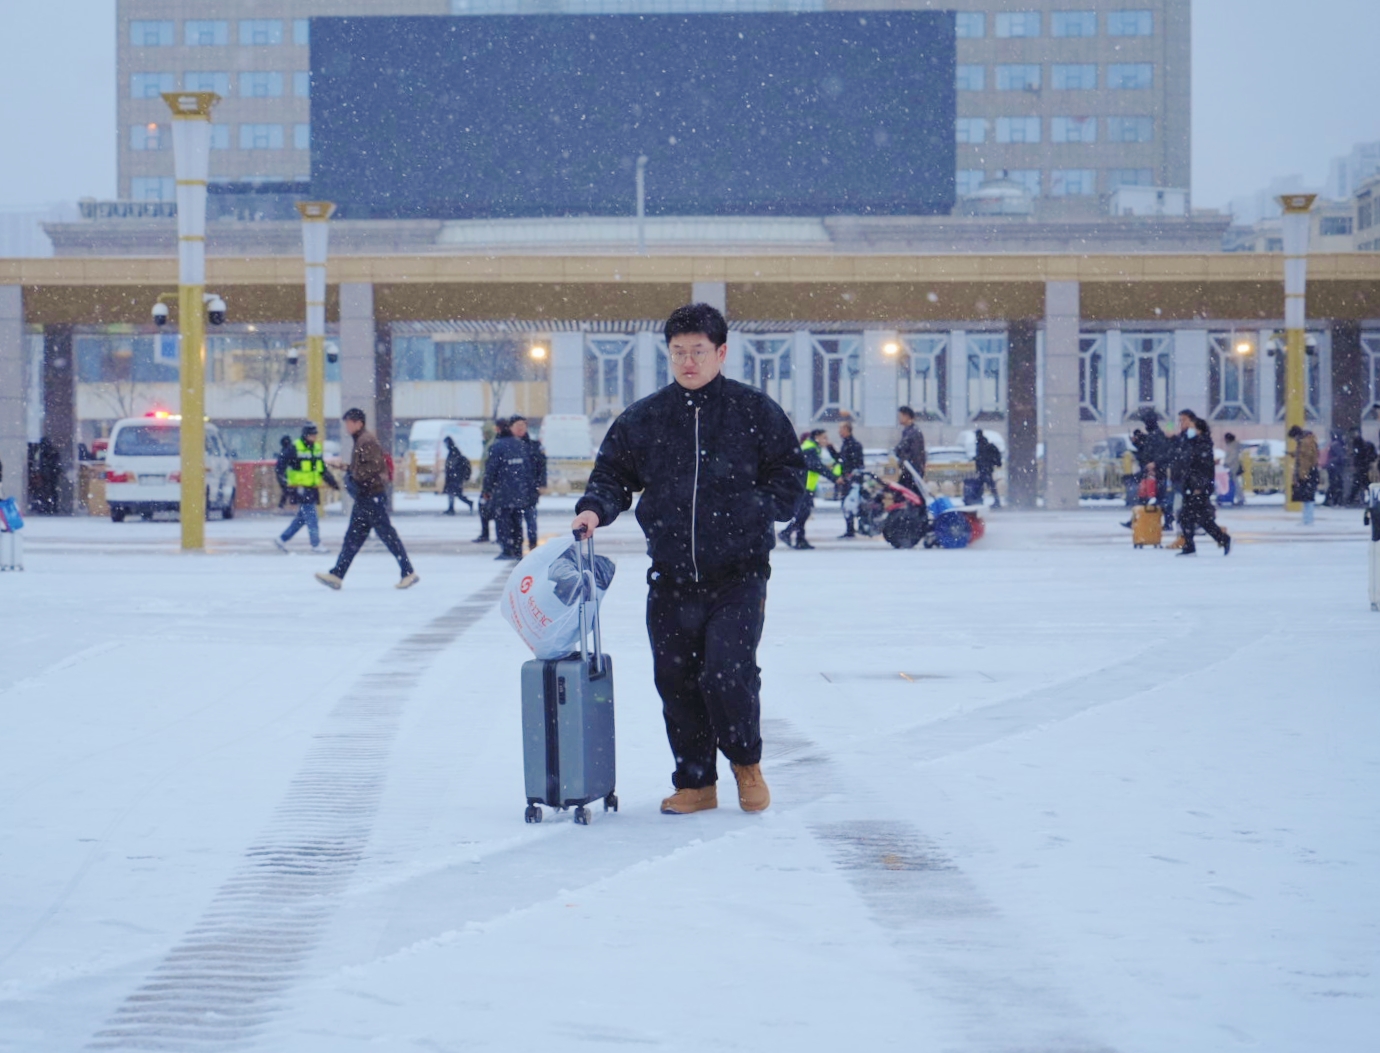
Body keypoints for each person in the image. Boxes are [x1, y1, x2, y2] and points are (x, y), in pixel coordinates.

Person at [571, 303, 804, 816]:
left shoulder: (754, 412)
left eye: (698, 351)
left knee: (727, 671)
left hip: (738, 575)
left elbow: (791, 477)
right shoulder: (648, 418)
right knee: (675, 679)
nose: (688, 362)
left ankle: (746, 765)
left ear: (721, 352)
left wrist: (754, 509)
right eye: (678, 352)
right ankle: (696, 783)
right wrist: (594, 509)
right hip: (672, 577)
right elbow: (612, 473)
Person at [315, 408, 418, 590]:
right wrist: (346, 468)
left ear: (358, 423)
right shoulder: (362, 440)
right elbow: (364, 467)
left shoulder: (366, 441)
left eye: (348, 422)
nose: (346, 426)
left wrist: (353, 476)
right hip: (367, 497)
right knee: (353, 538)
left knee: (386, 535)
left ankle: (408, 572)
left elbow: (372, 469)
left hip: (371, 496)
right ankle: (337, 574)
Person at [274, 423, 338, 553]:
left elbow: (321, 469)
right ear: (305, 435)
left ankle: (282, 539)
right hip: (300, 487)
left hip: (312, 487)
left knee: (302, 518)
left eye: (315, 434)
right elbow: (280, 465)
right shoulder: (295, 447)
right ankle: (316, 544)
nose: (314, 437)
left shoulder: (316, 449)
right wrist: (285, 482)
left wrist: (332, 482)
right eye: (311, 434)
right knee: (312, 515)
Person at [1175, 411, 1231, 557]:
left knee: (1191, 517)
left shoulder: (1203, 444)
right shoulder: (1192, 442)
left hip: (1199, 487)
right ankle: (1219, 539)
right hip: (1190, 485)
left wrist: (1199, 486)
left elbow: (1204, 468)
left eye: (1192, 426)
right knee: (1195, 517)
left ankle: (1216, 540)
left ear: (1199, 429)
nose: (1189, 428)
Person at [481, 417, 533, 561]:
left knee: (503, 522)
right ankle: (518, 549)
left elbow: (491, 470)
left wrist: (487, 489)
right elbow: (528, 469)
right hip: (519, 492)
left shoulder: (497, 446)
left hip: (502, 492)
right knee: (517, 522)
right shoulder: (520, 445)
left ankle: (507, 549)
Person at [779, 428, 839, 550]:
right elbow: (816, 466)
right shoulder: (810, 448)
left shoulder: (812, 447)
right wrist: (833, 477)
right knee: (803, 512)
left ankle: (799, 538)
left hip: (806, 485)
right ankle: (788, 533)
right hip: (804, 486)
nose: (826, 441)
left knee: (804, 512)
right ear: (817, 437)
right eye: (824, 437)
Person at [510, 415, 546, 551]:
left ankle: (532, 543)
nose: (520, 428)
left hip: (530, 489)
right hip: (512, 490)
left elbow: (541, 467)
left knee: (531, 519)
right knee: (515, 520)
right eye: (517, 425)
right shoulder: (507, 446)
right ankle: (516, 544)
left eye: (523, 425)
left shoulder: (533, 446)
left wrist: (541, 484)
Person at [834, 421, 865, 537]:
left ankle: (853, 528)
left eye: (841, 429)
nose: (839, 432)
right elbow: (841, 459)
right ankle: (851, 528)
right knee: (848, 504)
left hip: (851, 479)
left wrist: (850, 475)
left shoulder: (852, 444)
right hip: (849, 478)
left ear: (847, 430)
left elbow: (853, 462)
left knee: (850, 503)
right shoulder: (847, 444)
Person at [1289, 424, 1320, 525]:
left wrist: (1302, 474)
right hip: (1309, 471)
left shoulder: (1305, 442)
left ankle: (1308, 520)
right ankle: (1307, 519)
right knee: (1308, 497)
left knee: (1308, 497)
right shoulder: (1307, 440)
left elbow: (1307, 459)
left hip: (1307, 472)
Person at [894, 406, 926, 494]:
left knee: (908, 494)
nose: (899, 419)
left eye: (900, 416)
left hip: (911, 471)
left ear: (907, 416)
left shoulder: (913, 433)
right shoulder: (909, 432)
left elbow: (916, 454)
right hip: (909, 470)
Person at [442, 435, 473, 515]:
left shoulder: (453, 452)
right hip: (454, 477)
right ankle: (451, 507)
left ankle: (467, 503)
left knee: (456, 494)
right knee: (453, 493)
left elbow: (453, 464)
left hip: (454, 477)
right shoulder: (454, 451)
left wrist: (450, 471)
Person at [973, 428, 1003, 508]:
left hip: (985, 469)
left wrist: (978, 461)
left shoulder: (981, 444)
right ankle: (995, 501)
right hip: (987, 468)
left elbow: (982, 457)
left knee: (984, 485)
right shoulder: (984, 443)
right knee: (987, 485)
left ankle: (979, 501)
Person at [1349, 430, 1378, 506]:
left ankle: (1351, 499)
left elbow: (1357, 457)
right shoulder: (1366, 445)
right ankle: (1372, 498)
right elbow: (1373, 456)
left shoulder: (1359, 446)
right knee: (1366, 484)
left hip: (1362, 468)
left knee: (1359, 484)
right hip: (1365, 468)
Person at [1323, 430, 1348, 507]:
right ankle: (1333, 500)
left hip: (1332, 466)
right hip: (1335, 467)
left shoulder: (1334, 444)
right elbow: (1341, 456)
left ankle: (1331, 500)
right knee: (1336, 484)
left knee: (1334, 484)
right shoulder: (1337, 444)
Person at [1221, 432, 1244, 507]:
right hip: (1232, 467)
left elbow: (1232, 457)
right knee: (1234, 484)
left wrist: (1226, 463)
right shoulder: (1234, 445)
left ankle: (1240, 498)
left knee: (1234, 484)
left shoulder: (1233, 446)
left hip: (1232, 467)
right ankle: (1238, 498)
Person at [274, 435, 294, 510]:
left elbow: (280, 464)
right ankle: (290, 504)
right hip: (286, 473)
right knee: (289, 489)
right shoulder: (290, 450)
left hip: (281, 473)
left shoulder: (283, 451)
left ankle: (282, 505)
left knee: (286, 489)